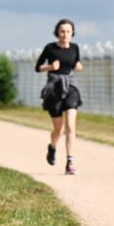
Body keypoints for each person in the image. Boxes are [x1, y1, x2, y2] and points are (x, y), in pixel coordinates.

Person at [35, 19, 83, 175]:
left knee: (70, 126)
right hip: (54, 88)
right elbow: (38, 67)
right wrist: (50, 67)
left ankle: (70, 162)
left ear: (72, 33)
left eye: (68, 31)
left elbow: (77, 63)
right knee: (59, 130)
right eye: (62, 31)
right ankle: (52, 147)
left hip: (71, 87)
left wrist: (79, 66)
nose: (65, 34)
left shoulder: (75, 48)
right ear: (57, 32)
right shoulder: (50, 48)